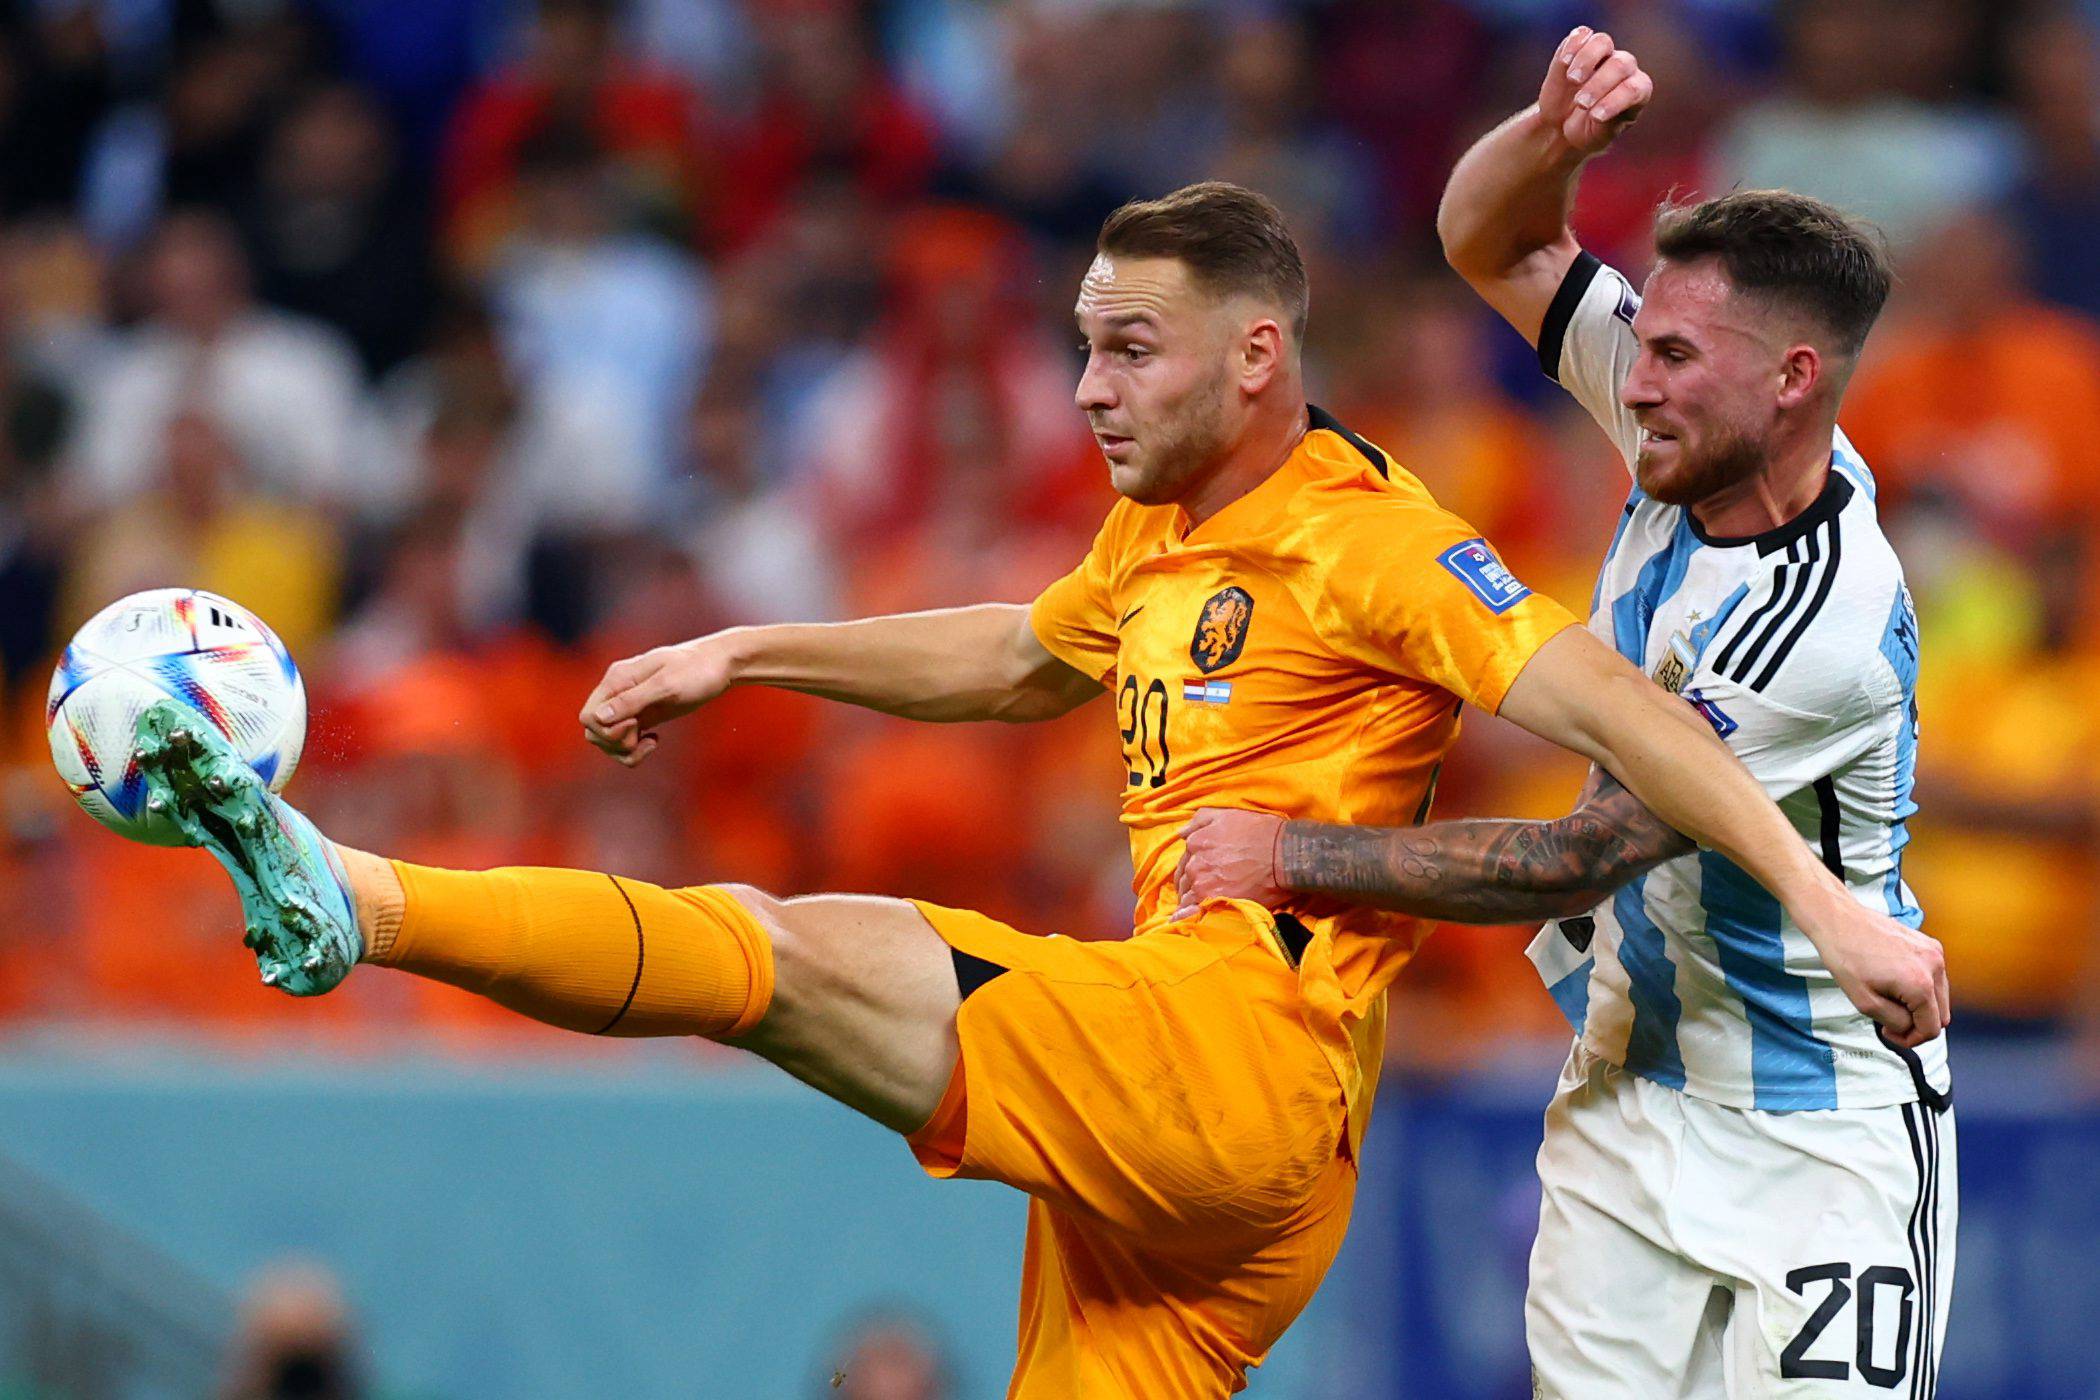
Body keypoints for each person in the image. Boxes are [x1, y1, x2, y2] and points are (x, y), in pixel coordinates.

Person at [121, 181, 1943, 1399]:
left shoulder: (1376, 544)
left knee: (787, 950)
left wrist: (1830, 900)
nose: (1084, 388)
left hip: (1236, 1050)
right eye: (1081, 345)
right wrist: (748, 653)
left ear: (1256, 355)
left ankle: (363, 901)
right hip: (1201, 1179)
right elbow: (1017, 654)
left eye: (1126, 348)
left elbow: (1627, 715)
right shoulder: (1161, 533)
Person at [1177, 31, 1955, 1398]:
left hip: (1819, 1131)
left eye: (1673, 355)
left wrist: (1289, 854)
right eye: (1637, 342)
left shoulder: (1815, 623)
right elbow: (1486, 241)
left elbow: (1576, 856)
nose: (1632, 379)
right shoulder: (1686, 439)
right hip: (1627, 1090)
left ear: (1793, 384)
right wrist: (1549, 140)